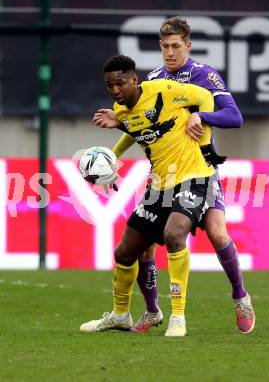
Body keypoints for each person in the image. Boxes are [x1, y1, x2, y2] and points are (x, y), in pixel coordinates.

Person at [111, 16, 255, 334]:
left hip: (200, 171)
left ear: (188, 46)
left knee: (217, 233)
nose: (170, 53)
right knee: (144, 242)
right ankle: (152, 311)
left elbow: (234, 117)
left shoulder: (203, 75)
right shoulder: (154, 79)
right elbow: (140, 125)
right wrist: (114, 151)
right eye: (165, 46)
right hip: (164, 175)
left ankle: (241, 297)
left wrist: (201, 115)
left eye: (176, 46)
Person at [80, 54, 217, 337]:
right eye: (109, 85)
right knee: (125, 251)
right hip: (159, 184)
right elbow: (138, 127)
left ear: (134, 80)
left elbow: (204, 96)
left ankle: (178, 317)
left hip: (193, 174)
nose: (116, 91)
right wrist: (111, 157)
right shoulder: (121, 110)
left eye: (120, 84)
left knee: (174, 234)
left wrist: (200, 125)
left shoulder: (163, 90)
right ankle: (120, 315)